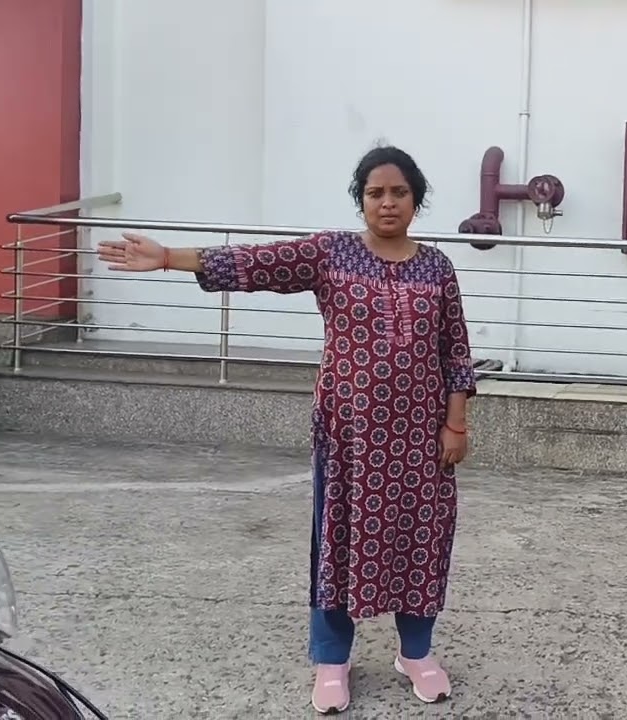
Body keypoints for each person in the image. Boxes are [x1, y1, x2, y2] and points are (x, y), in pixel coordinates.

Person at [96, 146, 476, 714]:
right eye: (376, 193)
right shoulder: (332, 253)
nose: (388, 202)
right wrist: (171, 257)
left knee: (420, 543)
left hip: (422, 442)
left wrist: (456, 424)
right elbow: (257, 264)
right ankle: (332, 660)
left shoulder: (437, 268)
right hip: (348, 438)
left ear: (416, 198)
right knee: (337, 545)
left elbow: (455, 353)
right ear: (361, 200)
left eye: (399, 192)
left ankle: (415, 654)